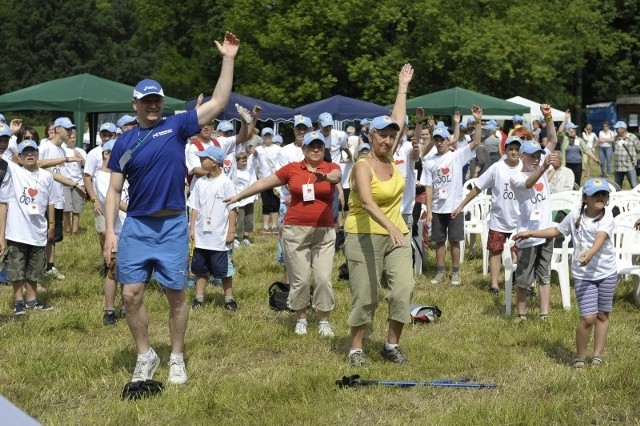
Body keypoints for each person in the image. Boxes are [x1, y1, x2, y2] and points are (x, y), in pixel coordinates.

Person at [103, 31, 239, 385]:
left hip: (173, 226)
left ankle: (176, 357)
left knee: (176, 296)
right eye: (146, 101)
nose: (152, 105)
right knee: (131, 295)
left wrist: (228, 58)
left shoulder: (176, 126)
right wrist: (110, 235)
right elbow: (113, 192)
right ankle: (145, 355)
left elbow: (220, 101)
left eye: (157, 100)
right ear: (134, 104)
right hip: (136, 226)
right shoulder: (123, 143)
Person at [227, 131, 341, 336]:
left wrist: (325, 177)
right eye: (311, 146)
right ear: (303, 149)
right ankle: (301, 318)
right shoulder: (292, 169)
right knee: (301, 279)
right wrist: (240, 195)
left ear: (324, 150)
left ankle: (324, 321)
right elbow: (264, 183)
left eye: (319, 147)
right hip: (295, 231)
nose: (316, 150)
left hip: (324, 232)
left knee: (324, 278)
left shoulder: (331, 167)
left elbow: (337, 177)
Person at [345, 64, 414, 367]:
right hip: (364, 235)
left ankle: (391, 344)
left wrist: (402, 86)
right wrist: (392, 228)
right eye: (382, 136)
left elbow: (397, 118)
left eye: (391, 137)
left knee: (402, 290)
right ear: (371, 136)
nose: (387, 140)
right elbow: (368, 202)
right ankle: (356, 348)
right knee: (367, 295)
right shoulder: (363, 165)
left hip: (395, 233)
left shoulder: (391, 155)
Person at [513, 178, 617, 368]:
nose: (600, 197)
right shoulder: (575, 215)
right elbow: (555, 230)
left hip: (607, 272)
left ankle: (597, 355)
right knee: (587, 317)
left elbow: (601, 238)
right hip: (583, 274)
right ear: (585, 198)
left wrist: (591, 254)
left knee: (602, 314)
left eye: (603, 194)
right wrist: (530, 233)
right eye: (595, 194)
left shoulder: (607, 216)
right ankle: (580, 357)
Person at [452, 135, 522, 294]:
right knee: (495, 251)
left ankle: (520, 282)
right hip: (499, 219)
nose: (514, 152)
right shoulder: (497, 168)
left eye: (517, 150)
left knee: (520, 253)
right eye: (511, 149)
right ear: (505, 150)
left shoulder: (525, 168)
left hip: (519, 221)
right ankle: (494, 285)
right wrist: (462, 205)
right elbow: (477, 187)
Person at [509, 105, 560, 321]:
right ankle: (521, 314)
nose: (537, 158)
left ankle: (544, 314)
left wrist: (548, 116)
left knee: (545, 275)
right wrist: (544, 167)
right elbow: (530, 183)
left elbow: (554, 140)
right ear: (522, 156)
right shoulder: (516, 177)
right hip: (528, 235)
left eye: (539, 154)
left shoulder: (541, 164)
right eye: (532, 156)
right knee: (523, 277)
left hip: (546, 231)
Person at [424, 106, 482, 286]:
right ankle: (440, 271)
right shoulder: (429, 161)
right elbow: (428, 187)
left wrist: (478, 122)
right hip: (438, 207)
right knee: (439, 241)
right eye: (437, 139)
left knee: (455, 241)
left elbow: (476, 142)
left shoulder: (457, 156)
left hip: (455, 206)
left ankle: (455, 272)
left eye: (442, 139)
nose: (439, 142)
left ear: (449, 140)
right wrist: (429, 211)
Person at [1, 140, 55, 315]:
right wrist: (12, 134)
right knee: (17, 269)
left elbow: (51, 202)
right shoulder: (15, 171)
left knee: (35, 269)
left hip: (38, 231)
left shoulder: (47, 176)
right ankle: (19, 303)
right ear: (20, 157)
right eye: (25, 153)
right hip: (17, 232)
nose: (29, 155)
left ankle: (32, 301)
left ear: (38, 154)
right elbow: (4, 153)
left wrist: (52, 224)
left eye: (33, 152)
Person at [188, 146, 239, 311]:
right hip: (202, 236)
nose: (201, 161)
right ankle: (199, 298)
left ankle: (229, 299)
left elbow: (233, 210)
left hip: (219, 236)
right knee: (200, 270)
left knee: (223, 270)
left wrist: (231, 231)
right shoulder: (200, 183)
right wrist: (192, 228)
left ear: (215, 162)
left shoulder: (226, 183)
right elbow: (194, 207)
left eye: (204, 158)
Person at [38, 117, 86, 280]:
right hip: (43, 200)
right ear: (57, 129)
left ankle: (50, 266)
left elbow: (59, 175)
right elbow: (37, 164)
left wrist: (74, 184)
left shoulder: (63, 150)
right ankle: (37, 266)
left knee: (53, 235)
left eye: (72, 129)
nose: (71, 132)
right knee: (42, 235)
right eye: (67, 129)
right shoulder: (45, 147)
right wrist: (65, 160)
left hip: (57, 198)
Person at [93, 139, 128, 325]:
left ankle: (126, 305)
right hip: (115, 231)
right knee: (113, 271)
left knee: (129, 271)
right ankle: (109, 310)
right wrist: (132, 209)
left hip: (130, 229)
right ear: (107, 154)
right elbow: (112, 199)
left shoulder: (124, 173)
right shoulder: (102, 177)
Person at [83, 122, 118, 276]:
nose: (106, 137)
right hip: (101, 198)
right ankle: (107, 261)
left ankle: (116, 261)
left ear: (114, 135)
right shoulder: (93, 153)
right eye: (104, 134)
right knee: (103, 232)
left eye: (109, 134)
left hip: (118, 197)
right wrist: (94, 200)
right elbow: (87, 177)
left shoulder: (119, 150)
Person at [558, 114, 599, 187]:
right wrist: (565, 119)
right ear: (568, 130)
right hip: (567, 165)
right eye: (573, 128)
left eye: (575, 129)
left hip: (578, 165)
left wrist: (595, 159)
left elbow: (587, 150)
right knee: (567, 183)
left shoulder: (579, 140)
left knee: (577, 183)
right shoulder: (563, 139)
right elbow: (560, 131)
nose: (575, 130)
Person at [253, 127, 281, 233]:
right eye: (266, 135)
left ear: (272, 136)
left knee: (275, 202)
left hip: (276, 178)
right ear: (262, 137)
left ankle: (274, 225)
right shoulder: (259, 149)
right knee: (266, 202)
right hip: (263, 179)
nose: (267, 137)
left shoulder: (278, 149)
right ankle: (265, 226)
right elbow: (255, 163)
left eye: (269, 135)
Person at [62, 129, 86, 235]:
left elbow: (86, 166)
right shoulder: (62, 150)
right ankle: (68, 229)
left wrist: (80, 158)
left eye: (74, 138)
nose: (72, 140)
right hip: (65, 182)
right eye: (70, 138)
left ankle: (75, 230)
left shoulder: (80, 150)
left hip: (79, 182)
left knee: (77, 208)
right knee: (67, 208)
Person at [234, 151, 257, 246]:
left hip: (250, 198)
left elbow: (254, 157)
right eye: (242, 161)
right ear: (237, 161)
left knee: (249, 219)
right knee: (239, 219)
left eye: (245, 161)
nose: (245, 163)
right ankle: (235, 238)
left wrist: (254, 151)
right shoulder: (234, 172)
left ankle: (246, 238)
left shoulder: (249, 169)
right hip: (239, 200)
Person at [612, 120, 640, 188]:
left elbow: (639, 149)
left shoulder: (633, 137)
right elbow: (614, 150)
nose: (615, 130)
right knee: (617, 187)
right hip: (618, 167)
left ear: (623, 129)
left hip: (630, 166)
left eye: (617, 128)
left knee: (634, 186)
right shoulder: (615, 138)